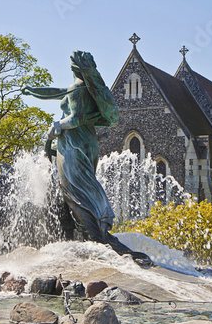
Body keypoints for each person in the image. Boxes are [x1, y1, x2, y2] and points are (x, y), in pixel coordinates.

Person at [22, 50, 151, 266]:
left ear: (73, 67)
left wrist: (56, 127)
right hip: (87, 142)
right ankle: (96, 231)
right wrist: (35, 91)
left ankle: (94, 237)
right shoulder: (86, 88)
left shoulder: (77, 88)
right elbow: (59, 91)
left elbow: (76, 117)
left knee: (75, 190)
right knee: (86, 184)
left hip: (72, 145)